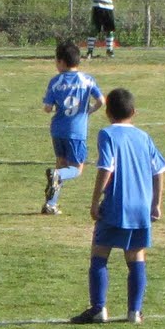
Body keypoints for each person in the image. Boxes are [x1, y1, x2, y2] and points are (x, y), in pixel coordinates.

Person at [70, 88, 165, 325]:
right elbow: (159, 170)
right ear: (133, 112)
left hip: (117, 204)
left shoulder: (107, 134)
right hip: (141, 207)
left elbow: (106, 168)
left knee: (100, 253)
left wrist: (95, 201)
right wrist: (156, 203)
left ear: (107, 113)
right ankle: (135, 312)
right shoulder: (143, 136)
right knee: (136, 255)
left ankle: (98, 309)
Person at [42, 41, 104, 215]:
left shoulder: (55, 81)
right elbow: (101, 100)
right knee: (75, 169)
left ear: (61, 61)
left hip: (57, 130)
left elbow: (47, 108)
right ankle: (57, 181)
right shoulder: (87, 80)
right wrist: (89, 111)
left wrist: (52, 106)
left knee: (61, 165)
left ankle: (50, 204)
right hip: (76, 131)